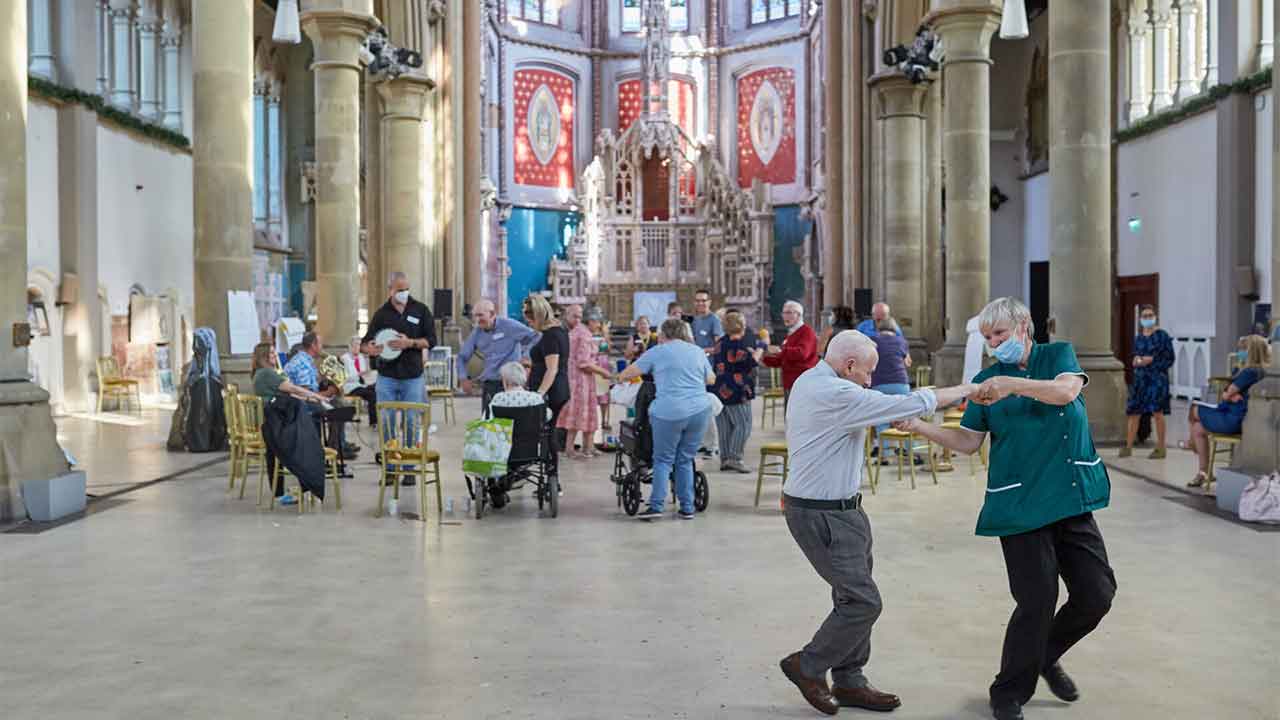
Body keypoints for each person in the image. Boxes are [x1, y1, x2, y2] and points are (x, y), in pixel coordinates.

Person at [895, 297, 1117, 720]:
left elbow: (1065, 393)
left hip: (1070, 496)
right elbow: (967, 442)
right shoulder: (985, 381)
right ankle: (1008, 691)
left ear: (1023, 327)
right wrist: (921, 426)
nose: (996, 344)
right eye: (988, 338)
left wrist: (1013, 385)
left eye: (1000, 335)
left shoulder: (1058, 356)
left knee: (1097, 593)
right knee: (1037, 599)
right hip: (1019, 503)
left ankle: (1044, 657)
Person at [778, 330, 974, 716]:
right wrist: (967, 388)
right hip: (820, 513)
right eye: (867, 373)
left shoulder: (817, 380)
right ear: (849, 366)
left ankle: (850, 681)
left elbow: (894, 408)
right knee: (863, 602)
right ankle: (808, 665)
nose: (870, 380)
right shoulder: (833, 392)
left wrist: (902, 415)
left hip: (846, 510)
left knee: (851, 595)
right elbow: (910, 401)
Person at [618, 317, 715, 520]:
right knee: (685, 459)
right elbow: (710, 379)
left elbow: (626, 374)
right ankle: (687, 507)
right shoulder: (697, 351)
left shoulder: (657, 351)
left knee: (662, 459)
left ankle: (657, 506)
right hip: (699, 411)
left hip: (669, 411)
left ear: (664, 333)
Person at [1186, 335, 1271, 488]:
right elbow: (1231, 393)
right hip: (1239, 417)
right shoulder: (1262, 371)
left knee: (1194, 409)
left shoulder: (1249, 372)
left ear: (1252, 351)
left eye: (1244, 349)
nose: (1240, 352)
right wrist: (1231, 395)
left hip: (1232, 419)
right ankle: (1203, 473)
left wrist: (1229, 396)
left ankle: (1190, 443)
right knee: (1198, 428)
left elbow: (1226, 394)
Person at [360, 271, 436, 408]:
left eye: (407, 289)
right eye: (400, 290)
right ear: (390, 290)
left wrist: (410, 343)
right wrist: (369, 349)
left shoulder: (421, 310)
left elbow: (431, 340)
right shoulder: (381, 314)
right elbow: (364, 343)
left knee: (412, 419)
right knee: (386, 419)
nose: (404, 293)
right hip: (387, 376)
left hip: (413, 375)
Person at [457, 298, 540, 416]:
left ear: (492, 314)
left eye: (480, 315)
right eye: (475, 316)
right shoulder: (477, 333)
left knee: (513, 422)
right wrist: (463, 378)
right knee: (488, 422)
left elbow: (536, 337)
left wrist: (525, 357)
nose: (477, 320)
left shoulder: (509, 325)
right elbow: (462, 356)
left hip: (512, 383)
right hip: (490, 384)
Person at [711, 309, 762, 473]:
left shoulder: (720, 342)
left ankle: (725, 459)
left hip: (719, 389)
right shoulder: (738, 346)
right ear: (741, 326)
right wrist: (763, 345)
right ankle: (735, 458)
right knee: (743, 424)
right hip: (736, 390)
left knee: (724, 426)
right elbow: (752, 362)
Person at [1120, 305, 1174, 459]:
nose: (1148, 318)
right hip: (1140, 379)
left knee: (1157, 412)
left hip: (1157, 379)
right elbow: (1136, 355)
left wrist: (1152, 360)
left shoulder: (1162, 336)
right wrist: (1136, 360)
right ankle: (1128, 446)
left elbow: (1169, 358)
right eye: (1145, 316)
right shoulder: (1139, 337)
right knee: (1134, 412)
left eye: (1150, 315)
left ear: (1155, 316)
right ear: (1141, 319)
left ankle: (1161, 447)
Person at [558, 304, 610, 459]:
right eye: (597, 322)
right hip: (580, 380)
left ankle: (589, 446)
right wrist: (603, 372)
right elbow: (583, 362)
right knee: (578, 412)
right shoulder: (584, 335)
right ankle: (570, 449)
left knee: (588, 411)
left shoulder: (579, 331)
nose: (599, 325)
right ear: (591, 321)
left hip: (581, 378)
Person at [762, 300, 819, 407]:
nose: (784, 316)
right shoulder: (791, 333)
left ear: (798, 315)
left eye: (788, 313)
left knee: (799, 417)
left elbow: (802, 353)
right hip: (790, 383)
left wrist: (780, 350)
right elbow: (782, 359)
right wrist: (763, 357)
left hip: (802, 383)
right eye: (783, 313)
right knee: (790, 418)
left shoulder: (806, 332)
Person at [487, 361, 551, 420]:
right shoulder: (536, 398)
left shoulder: (498, 398)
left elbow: (487, 418)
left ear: (506, 381)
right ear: (523, 378)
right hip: (531, 432)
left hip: (506, 432)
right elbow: (547, 416)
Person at [341, 335, 379, 426]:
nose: (357, 347)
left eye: (359, 345)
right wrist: (359, 374)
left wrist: (368, 374)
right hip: (350, 386)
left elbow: (364, 374)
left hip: (361, 384)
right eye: (355, 345)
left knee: (377, 389)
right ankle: (374, 422)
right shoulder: (344, 358)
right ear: (350, 346)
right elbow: (344, 378)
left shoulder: (361, 357)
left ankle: (379, 419)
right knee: (372, 395)